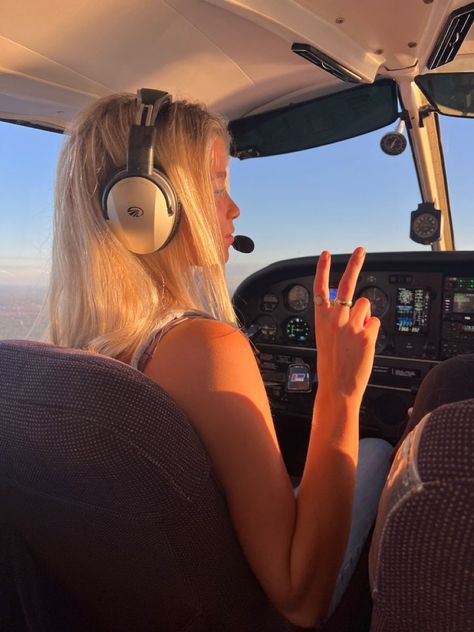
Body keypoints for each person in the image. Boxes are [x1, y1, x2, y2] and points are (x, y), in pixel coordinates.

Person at [48, 91, 393, 628]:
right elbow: (299, 599)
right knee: (376, 450)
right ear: (140, 205)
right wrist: (341, 390)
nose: (233, 209)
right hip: (248, 607)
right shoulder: (203, 347)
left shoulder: (66, 347)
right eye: (214, 187)